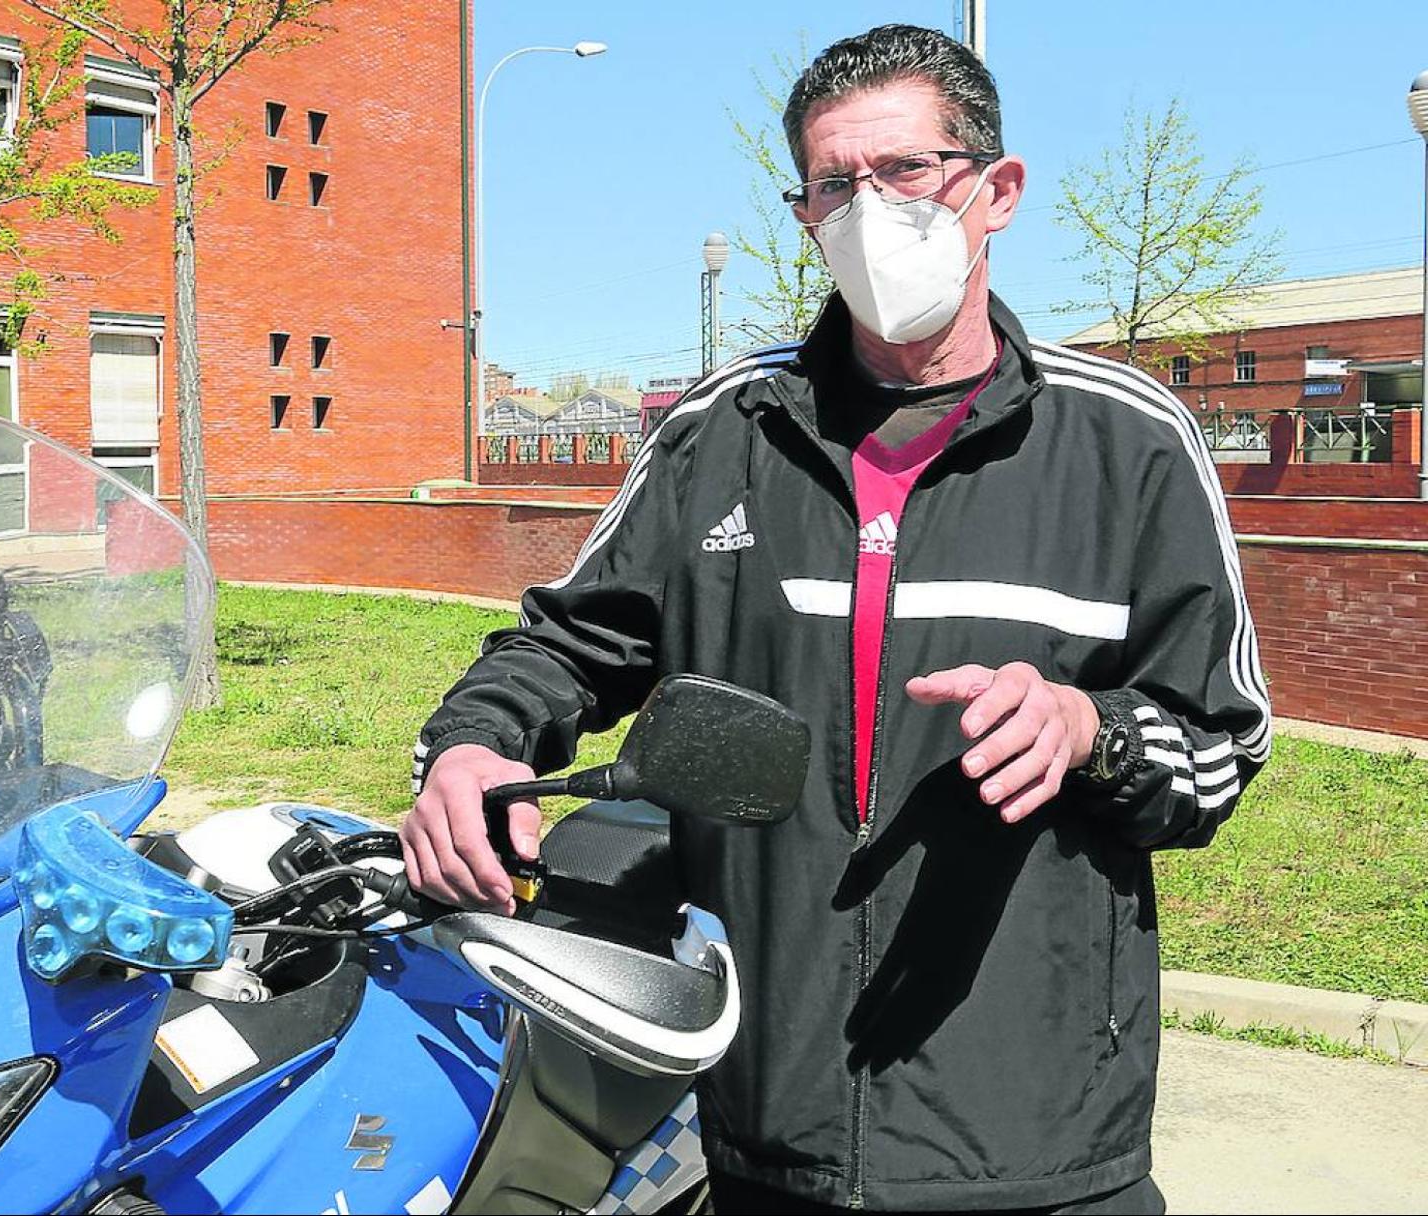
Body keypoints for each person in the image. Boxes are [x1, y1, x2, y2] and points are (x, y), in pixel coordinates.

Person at [403, 23, 1270, 1215]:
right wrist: (468, 744)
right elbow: (566, 644)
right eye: (833, 184)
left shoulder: (1129, 443)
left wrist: (1088, 729)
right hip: (768, 1122)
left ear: (996, 189)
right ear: (803, 209)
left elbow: (1220, 753)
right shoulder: (725, 429)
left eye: (906, 171)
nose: (868, 209)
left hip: (1039, 1143)